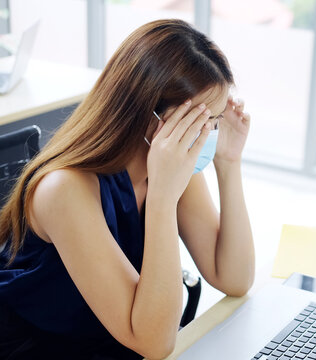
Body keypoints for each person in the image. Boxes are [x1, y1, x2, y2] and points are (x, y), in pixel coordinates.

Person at [0, 19, 255, 359]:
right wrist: (164, 198)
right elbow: (154, 342)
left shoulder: (174, 166)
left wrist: (228, 163)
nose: (207, 133)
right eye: (198, 122)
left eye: (215, 120)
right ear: (149, 116)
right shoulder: (64, 190)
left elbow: (234, 278)